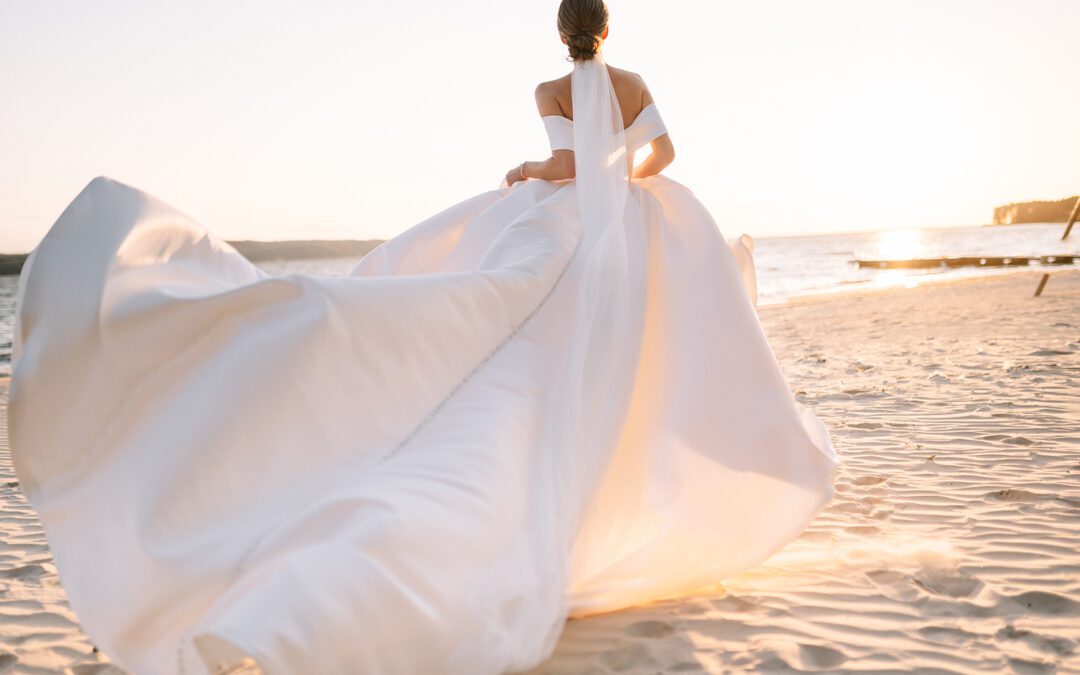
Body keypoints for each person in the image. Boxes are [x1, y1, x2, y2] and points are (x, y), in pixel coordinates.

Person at [9, 0, 838, 672]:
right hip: (633, 216)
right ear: (608, 28)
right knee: (628, 353)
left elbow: (567, 168)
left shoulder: (550, 91)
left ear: (563, 33)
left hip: (571, 214)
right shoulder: (633, 80)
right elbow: (658, 151)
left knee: (500, 310)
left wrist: (537, 172)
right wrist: (630, 181)